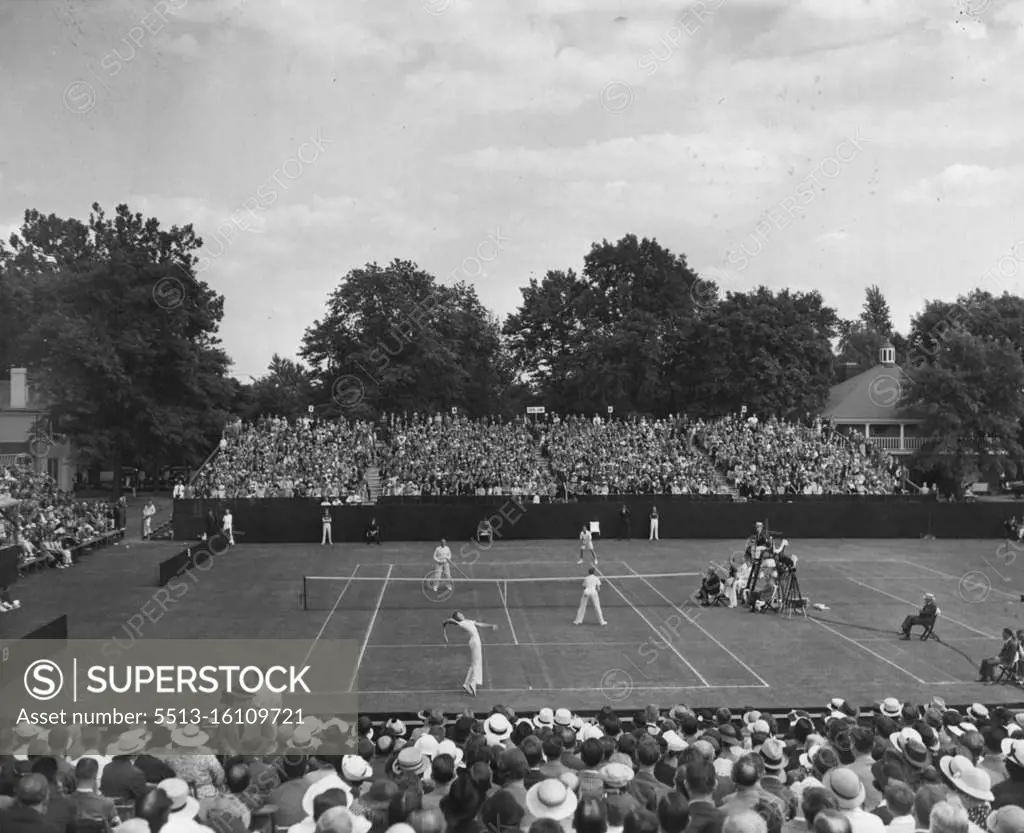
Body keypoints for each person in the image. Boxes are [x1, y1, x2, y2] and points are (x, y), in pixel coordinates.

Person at [442, 610, 498, 697]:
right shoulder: (461, 623)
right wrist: (446, 623)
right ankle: (471, 685)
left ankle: (466, 684)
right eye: (459, 614)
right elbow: (451, 621)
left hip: (476, 642)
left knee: (474, 664)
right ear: (458, 617)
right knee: (476, 664)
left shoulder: (468, 621)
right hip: (475, 642)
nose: (462, 614)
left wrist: (491, 625)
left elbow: (480, 624)